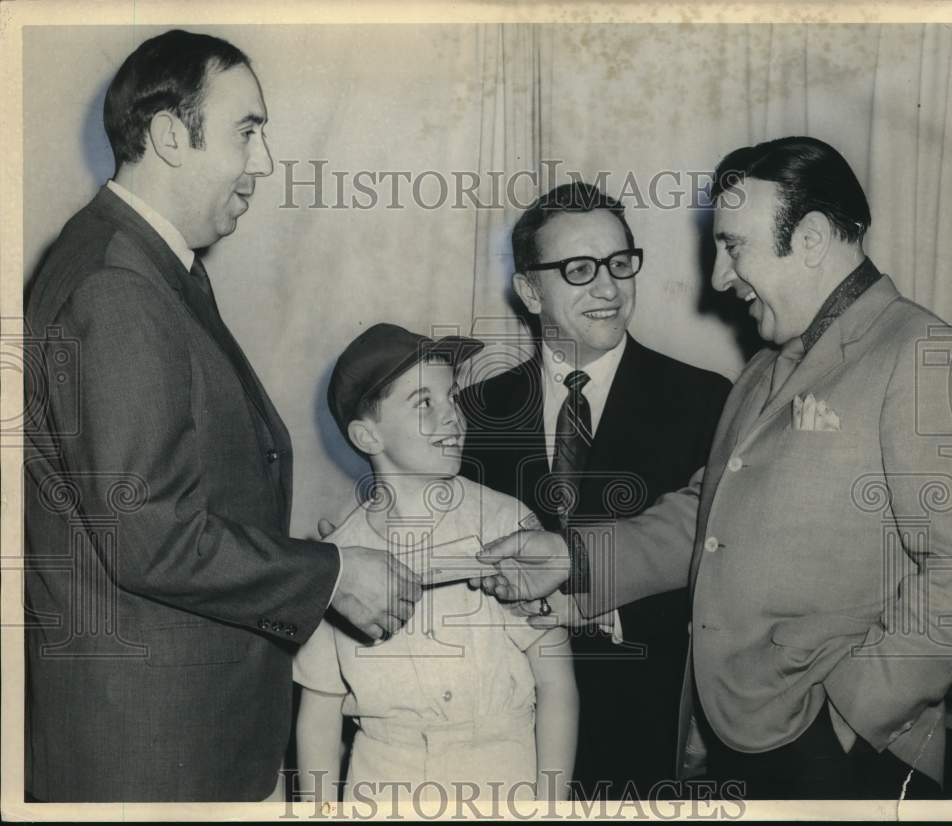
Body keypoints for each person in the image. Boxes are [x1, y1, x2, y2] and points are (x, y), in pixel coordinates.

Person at [477, 137, 952, 799]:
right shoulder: (766, 370)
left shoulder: (925, 356)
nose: (719, 277)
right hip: (738, 741)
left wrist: (850, 716)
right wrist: (568, 558)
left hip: (839, 754)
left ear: (809, 239)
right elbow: (705, 516)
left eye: (734, 246)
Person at [23, 30, 421, 802]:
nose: (263, 164)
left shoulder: (141, 262)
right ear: (171, 136)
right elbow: (152, 536)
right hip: (156, 749)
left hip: (172, 731)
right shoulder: (120, 285)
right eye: (248, 131)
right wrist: (330, 575)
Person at [458, 182, 730, 799]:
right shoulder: (474, 414)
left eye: (619, 262)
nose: (608, 288)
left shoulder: (706, 402)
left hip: (648, 736)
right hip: (504, 739)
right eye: (579, 269)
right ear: (529, 290)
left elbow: (716, 563)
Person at [294, 323, 578, 803]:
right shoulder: (338, 559)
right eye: (424, 402)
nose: (452, 416)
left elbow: (556, 683)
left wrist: (550, 806)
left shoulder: (508, 527)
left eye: (452, 397)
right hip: (383, 783)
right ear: (367, 435)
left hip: (501, 777)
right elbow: (319, 710)